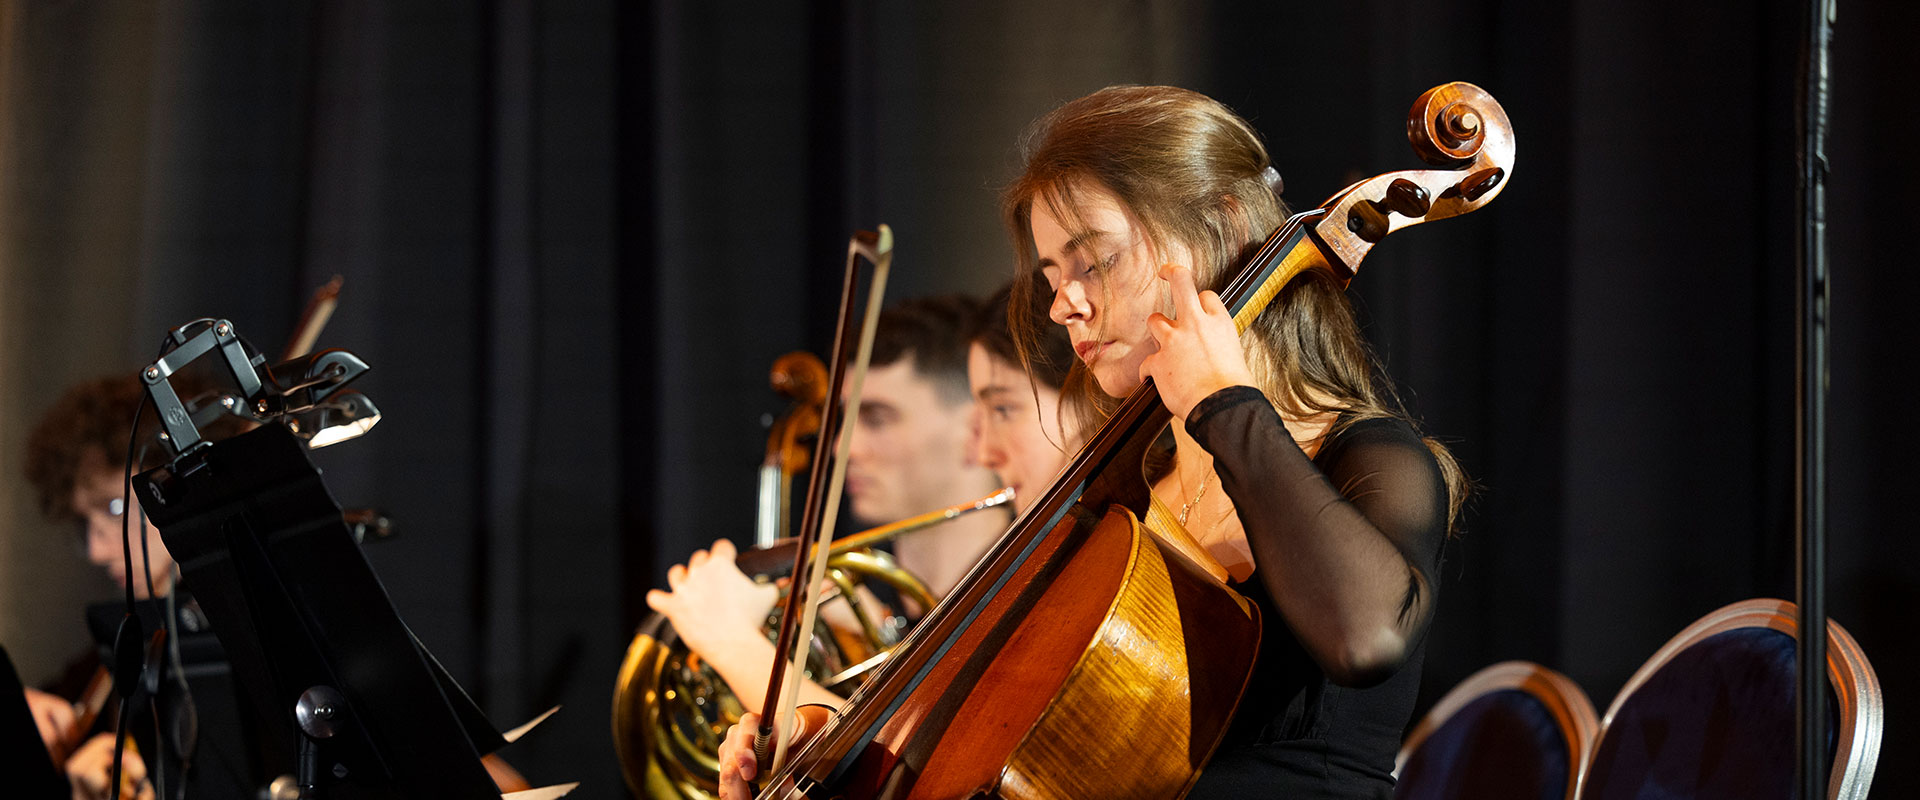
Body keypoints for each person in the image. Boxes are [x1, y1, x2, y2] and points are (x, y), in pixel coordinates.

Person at [717, 85, 1468, 799]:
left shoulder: (1370, 458)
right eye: (1052, 275)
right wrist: (823, 737)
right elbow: (977, 725)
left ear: (1227, 221)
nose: (1062, 306)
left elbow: (1366, 637)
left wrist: (1225, 403)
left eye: (1094, 262)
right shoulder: (1128, 492)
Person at [646, 295, 1009, 712]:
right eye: (845, 421)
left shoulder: (1022, 607)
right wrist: (882, 631)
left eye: (876, 418)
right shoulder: (857, 612)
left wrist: (732, 642)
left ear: (976, 429)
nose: (841, 447)